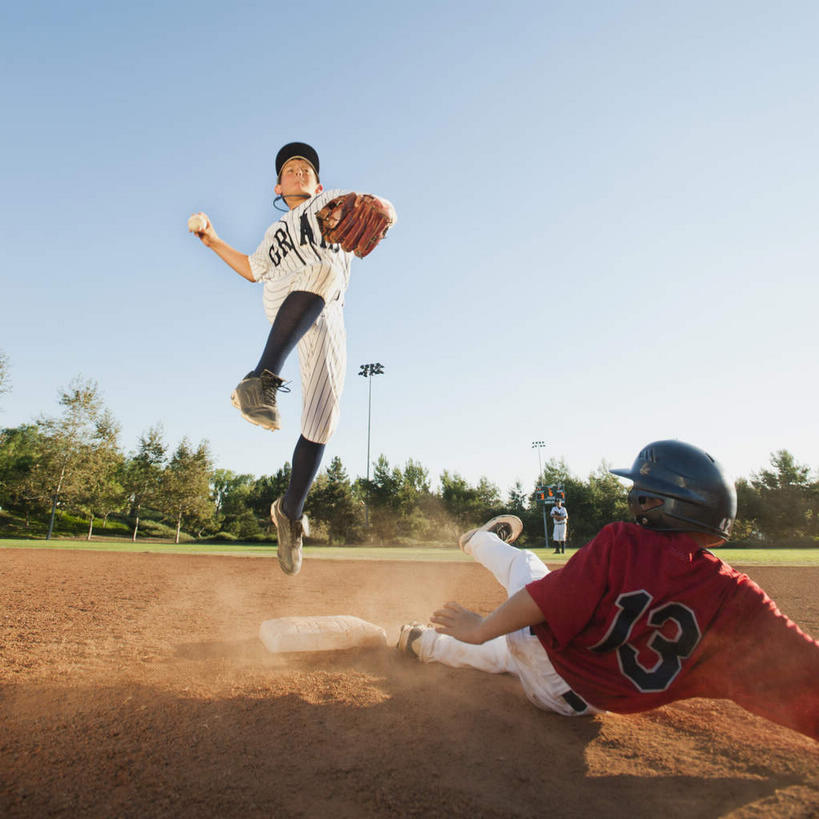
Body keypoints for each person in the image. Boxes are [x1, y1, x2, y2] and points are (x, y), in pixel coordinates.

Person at [397, 440, 819, 741]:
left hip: (551, 672)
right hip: (586, 702)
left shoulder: (624, 541)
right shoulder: (737, 596)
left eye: (642, 493)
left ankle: (475, 540)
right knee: (521, 652)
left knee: (525, 571)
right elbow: (803, 667)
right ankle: (424, 643)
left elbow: (541, 599)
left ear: (656, 503)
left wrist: (480, 626)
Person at [191, 142, 395, 576]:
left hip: (327, 317)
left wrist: (384, 209)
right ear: (278, 186)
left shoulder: (330, 202)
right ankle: (261, 379)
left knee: (323, 422)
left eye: (305, 167)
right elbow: (250, 269)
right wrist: (211, 240)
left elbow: (378, 208)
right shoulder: (275, 232)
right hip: (285, 298)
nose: (299, 170)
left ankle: (289, 512)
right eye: (290, 168)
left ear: (317, 182)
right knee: (321, 269)